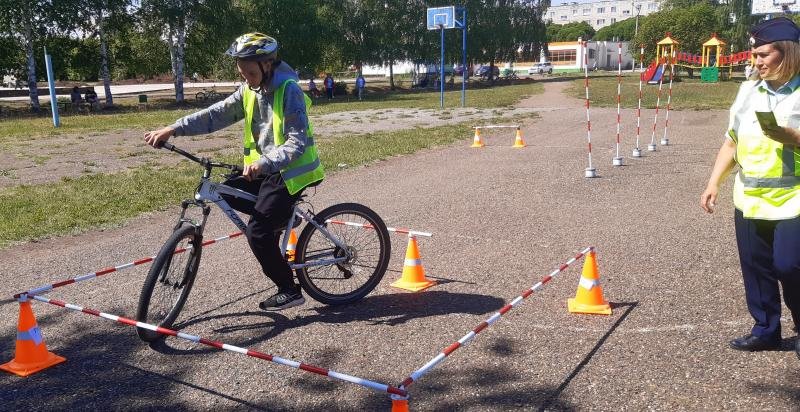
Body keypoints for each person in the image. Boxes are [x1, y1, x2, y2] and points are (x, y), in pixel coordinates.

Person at [144, 32, 324, 311]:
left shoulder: (289, 90)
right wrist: (174, 128)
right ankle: (281, 216)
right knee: (225, 190)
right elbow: (216, 114)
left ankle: (289, 289)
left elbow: (297, 143)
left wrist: (263, 163)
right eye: (242, 73)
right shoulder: (249, 90)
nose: (246, 78)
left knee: (259, 234)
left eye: (250, 72)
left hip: (291, 172)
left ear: (267, 65)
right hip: (266, 168)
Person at [700, 17, 800, 360]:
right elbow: (731, 142)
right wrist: (714, 182)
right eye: (753, 55)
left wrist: (790, 137)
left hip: (794, 198)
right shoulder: (748, 91)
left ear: (786, 52)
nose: (755, 61)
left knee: (789, 265)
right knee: (756, 267)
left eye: (762, 54)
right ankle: (766, 330)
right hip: (750, 196)